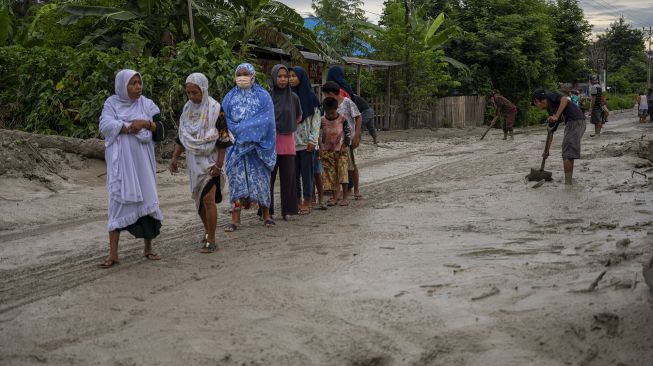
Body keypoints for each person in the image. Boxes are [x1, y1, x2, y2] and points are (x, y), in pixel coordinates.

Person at [98, 69, 163, 268]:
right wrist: (127, 127)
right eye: (133, 83)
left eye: (139, 82)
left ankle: (148, 248)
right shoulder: (112, 103)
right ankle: (113, 254)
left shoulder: (147, 104)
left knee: (148, 199)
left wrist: (146, 123)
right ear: (122, 86)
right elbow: (105, 125)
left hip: (143, 164)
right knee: (117, 204)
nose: (138, 87)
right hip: (121, 167)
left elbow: (161, 131)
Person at [169, 73, 232, 253]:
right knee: (199, 201)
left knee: (208, 199)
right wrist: (175, 157)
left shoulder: (215, 108)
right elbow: (182, 136)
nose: (191, 96)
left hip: (211, 161)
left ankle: (211, 239)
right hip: (193, 162)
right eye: (188, 93)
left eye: (195, 92)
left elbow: (223, 138)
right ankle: (207, 230)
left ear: (203, 90)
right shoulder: (187, 110)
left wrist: (219, 165)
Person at [222, 63, 277, 229]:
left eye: (245, 73)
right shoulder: (229, 97)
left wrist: (242, 129)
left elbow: (267, 120)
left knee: (261, 182)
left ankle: (266, 215)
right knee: (236, 183)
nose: (242, 77)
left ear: (253, 75)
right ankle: (235, 219)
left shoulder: (263, 96)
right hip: (236, 148)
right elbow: (224, 120)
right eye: (239, 74)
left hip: (258, 148)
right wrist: (240, 131)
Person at [267, 64, 301, 221]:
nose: (282, 79)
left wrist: (286, 125)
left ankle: (289, 211)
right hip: (269, 144)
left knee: (288, 179)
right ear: (274, 77)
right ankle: (267, 211)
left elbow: (298, 117)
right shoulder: (267, 97)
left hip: (287, 142)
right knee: (269, 179)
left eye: (285, 76)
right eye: (279, 76)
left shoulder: (294, 98)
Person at [532, 88, 586, 185]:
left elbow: (565, 99)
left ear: (537, 101)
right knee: (568, 153)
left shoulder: (550, 95)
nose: (537, 107)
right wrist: (546, 151)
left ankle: (568, 184)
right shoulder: (550, 109)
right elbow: (551, 131)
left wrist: (556, 116)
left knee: (567, 153)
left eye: (535, 105)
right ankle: (569, 181)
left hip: (575, 121)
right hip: (573, 123)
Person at [289, 66, 324, 211]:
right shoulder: (287, 97)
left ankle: (308, 200)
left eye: (293, 76)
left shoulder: (311, 98)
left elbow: (316, 122)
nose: (291, 79)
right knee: (293, 174)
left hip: (306, 143)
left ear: (301, 78)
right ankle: (296, 200)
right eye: (289, 76)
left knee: (307, 173)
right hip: (290, 143)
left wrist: (312, 140)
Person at [321, 81, 363, 202]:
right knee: (336, 167)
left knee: (351, 166)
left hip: (347, 141)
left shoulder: (347, 102)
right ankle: (337, 193)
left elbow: (358, 117)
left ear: (330, 93)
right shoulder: (328, 105)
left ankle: (356, 190)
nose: (324, 97)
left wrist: (356, 135)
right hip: (332, 143)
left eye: (325, 95)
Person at [320, 97, 352, 205]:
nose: (330, 115)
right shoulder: (322, 120)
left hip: (341, 150)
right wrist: (320, 146)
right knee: (330, 174)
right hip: (327, 151)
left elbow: (348, 132)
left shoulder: (342, 119)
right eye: (328, 113)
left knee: (343, 172)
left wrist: (345, 144)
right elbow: (317, 134)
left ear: (336, 109)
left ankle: (345, 198)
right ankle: (334, 197)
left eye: (332, 113)